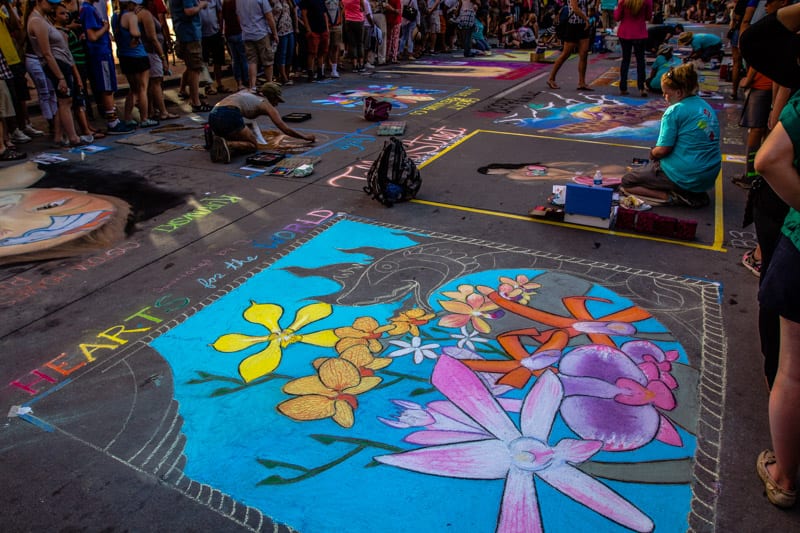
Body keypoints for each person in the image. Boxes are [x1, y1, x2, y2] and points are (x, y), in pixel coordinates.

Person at [620, 63, 720, 207]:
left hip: (685, 174)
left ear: (679, 93)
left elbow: (663, 150)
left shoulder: (674, 111)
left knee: (627, 182)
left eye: (666, 93)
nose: (664, 96)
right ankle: (690, 191)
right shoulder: (705, 106)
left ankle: (672, 196)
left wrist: (652, 154)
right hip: (708, 175)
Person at [208, 82, 315, 163]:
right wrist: (305, 137)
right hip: (229, 114)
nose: (277, 104)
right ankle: (228, 144)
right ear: (272, 97)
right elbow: (284, 128)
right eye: (277, 100)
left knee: (236, 131)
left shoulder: (249, 92)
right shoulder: (266, 104)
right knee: (252, 145)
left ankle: (217, 138)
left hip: (213, 115)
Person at [27, 0, 86, 146]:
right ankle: (73, 137)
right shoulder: (37, 21)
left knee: (62, 102)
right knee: (65, 101)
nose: (53, 7)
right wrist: (60, 77)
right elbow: (46, 53)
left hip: (60, 63)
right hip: (56, 65)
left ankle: (59, 136)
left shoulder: (43, 19)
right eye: (50, 3)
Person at [112, 0, 158, 127]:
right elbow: (135, 32)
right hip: (137, 55)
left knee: (133, 89)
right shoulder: (130, 16)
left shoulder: (115, 16)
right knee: (142, 88)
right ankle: (144, 118)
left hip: (124, 55)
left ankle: (127, 117)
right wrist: (137, 36)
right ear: (130, 4)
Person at [171, 0, 213, 112]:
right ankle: (196, 102)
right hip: (190, 34)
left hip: (185, 33)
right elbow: (188, 11)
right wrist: (201, 5)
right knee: (195, 69)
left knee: (191, 67)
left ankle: (188, 94)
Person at [237, 0, 278, 94]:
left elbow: (238, 16)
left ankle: (253, 86)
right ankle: (269, 84)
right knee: (267, 60)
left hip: (247, 33)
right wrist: (275, 33)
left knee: (252, 61)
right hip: (261, 32)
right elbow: (269, 16)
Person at [614, 0, 651, 97]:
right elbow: (648, 17)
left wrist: (616, 10)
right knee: (640, 60)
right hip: (640, 33)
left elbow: (617, 17)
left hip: (625, 32)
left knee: (625, 60)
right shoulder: (647, 1)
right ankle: (641, 87)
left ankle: (623, 87)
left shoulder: (623, 1)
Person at [221, 0, 248, 91]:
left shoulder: (225, 2)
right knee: (243, 58)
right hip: (238, 32)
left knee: (235, 59)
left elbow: (222, 17)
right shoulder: (236, 2)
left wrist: (222, 31)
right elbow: (239, 16)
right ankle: (247, 81)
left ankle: (239, 83)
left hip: (229, 33)